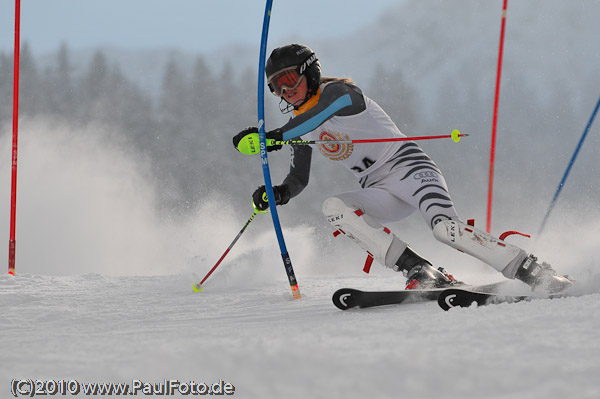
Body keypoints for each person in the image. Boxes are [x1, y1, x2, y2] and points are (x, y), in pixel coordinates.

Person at [232, 43, 572, 293]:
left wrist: (274, 136)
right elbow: (298, 178)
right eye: (277, 85)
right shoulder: (299, 125)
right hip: (379, 189)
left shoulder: (341, 92)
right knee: (334, 206)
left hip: (410, 169)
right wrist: (279, 193)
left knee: (445, 230)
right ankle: (421, 271)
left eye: (290, 78)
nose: (286, 90)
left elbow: (321, 113)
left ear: (310, 71)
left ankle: (534, 271)